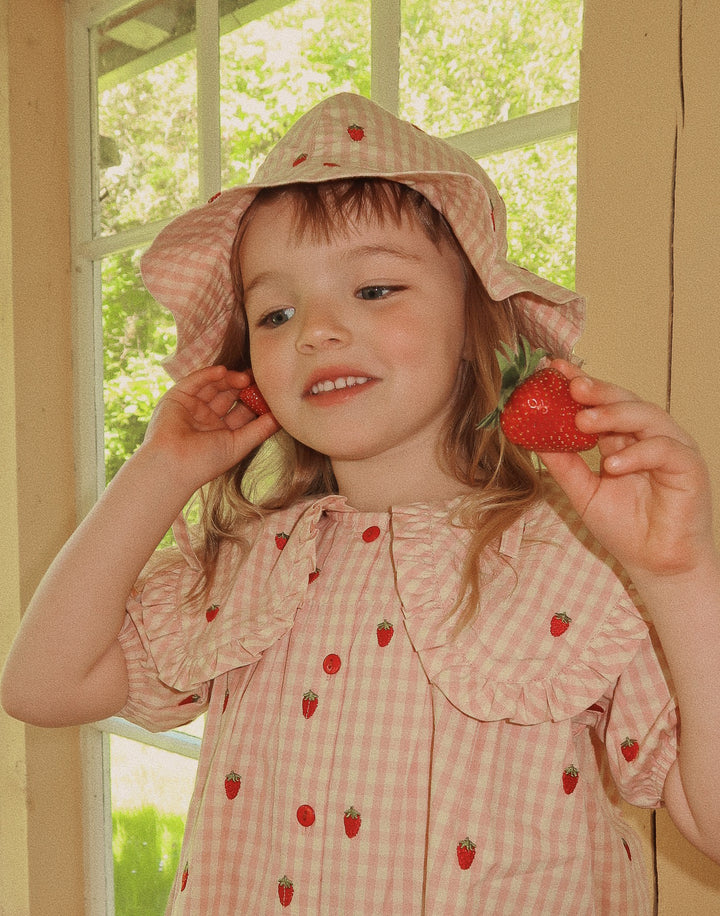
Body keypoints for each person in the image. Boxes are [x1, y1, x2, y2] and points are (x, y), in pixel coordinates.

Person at [3, 92, 720, 914]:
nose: (316, 330)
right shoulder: (251, 564)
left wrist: (681, 575)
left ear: (479, 324)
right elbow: (42, 686)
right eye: (274, 312)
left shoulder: (576, 562)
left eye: (375, 289)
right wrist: (161, 469)